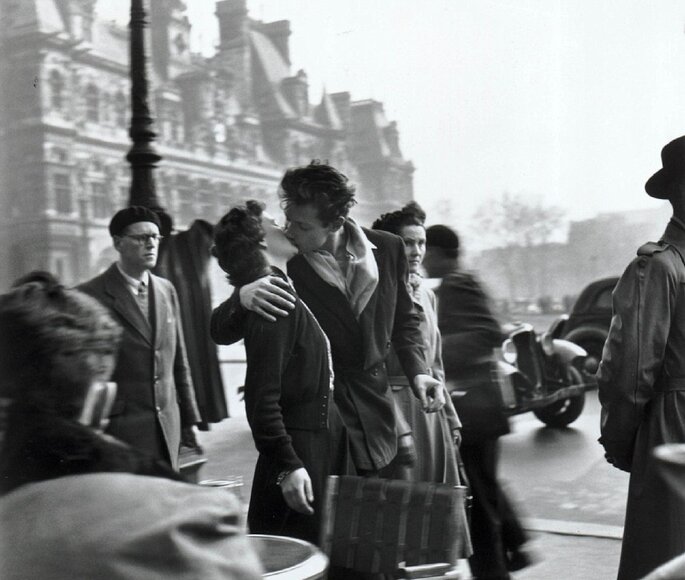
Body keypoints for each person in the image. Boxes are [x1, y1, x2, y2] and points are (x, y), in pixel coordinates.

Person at [0, 273, 262, 580]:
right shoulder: (192, 523)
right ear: (100, 402)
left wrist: (187, 419)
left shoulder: (164, 290)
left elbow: (177, 364)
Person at [211, 161, 444, 476]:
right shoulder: (288, 263)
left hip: (379, 411)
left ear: (336, 222)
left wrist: (419, 372)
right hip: (324, 417)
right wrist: (240, 298)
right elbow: (219, 330)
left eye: (303, 226)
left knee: (386, 509)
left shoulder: (389, 248)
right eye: (288, 220)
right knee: (338, 513)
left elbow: (405, 322)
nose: (291, 232)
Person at [211, 200, 350, 545]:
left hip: (311, 444)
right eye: (275, 222)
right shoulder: (274, 298)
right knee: (297, 555)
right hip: (302, 449)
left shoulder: (276, 289)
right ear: (261, 242)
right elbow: (261, 399)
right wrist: (288, 464)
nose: (285, 225)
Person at [597, 135, 685, 580]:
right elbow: (631, 371)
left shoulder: (667, 265)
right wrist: (620, 437)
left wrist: (619, 438)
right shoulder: (659, 266)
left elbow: (627, 371)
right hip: (673, 425)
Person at [424, 225, 528, 580]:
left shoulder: (458, 283)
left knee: (477, 505)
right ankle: (516, 547)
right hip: (479, 406)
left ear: (439, 253)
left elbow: (487, 333)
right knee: (483, 490)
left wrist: (434, 351)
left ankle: (497, 569)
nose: (422, 259)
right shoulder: (458, 282)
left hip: (474, 408)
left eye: (426, 251)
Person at [79, 206, 201, 470]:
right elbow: (86, 375)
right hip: (121, 430)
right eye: (141, 238)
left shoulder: (166, 289)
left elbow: (179, 359)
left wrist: (189, 418)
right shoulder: (90, 296)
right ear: (117, 243)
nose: (150, 244)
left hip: (168, 426)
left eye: (155, 237)